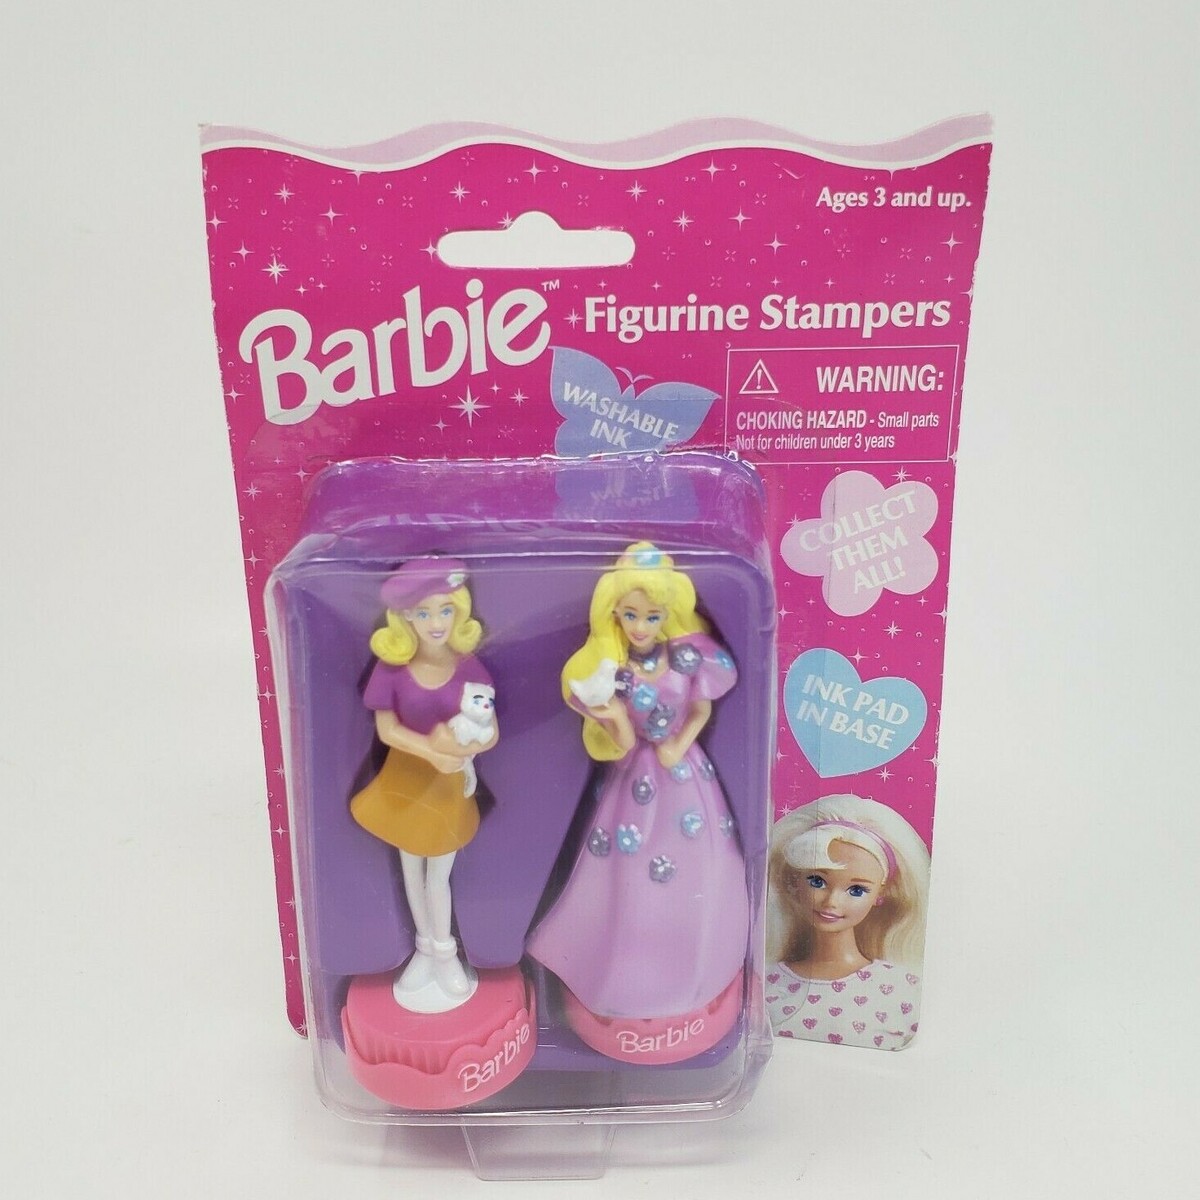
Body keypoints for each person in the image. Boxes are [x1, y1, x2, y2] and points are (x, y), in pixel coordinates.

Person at [527, 542, 748, 1023]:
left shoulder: (686, 657)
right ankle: (625, 966)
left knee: (696, 866)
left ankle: (690, 961)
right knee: (625, 871)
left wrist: (677, 744)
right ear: (615, 614)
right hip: (634, 779)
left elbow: (700, 709)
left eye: (651, 616)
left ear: (667, 614)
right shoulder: (616, 673)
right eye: (630, 615)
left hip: (684, 774)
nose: (641, 626)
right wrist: (612, 718)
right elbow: (624, 743)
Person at [350, 557, 497, 1009]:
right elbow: (387, 729)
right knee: (410, 867)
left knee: (440, 873)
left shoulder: (469, 668)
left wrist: (466, 747)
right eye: (424, 612)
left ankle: (445, 952)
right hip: (405, 779)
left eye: (445, 610)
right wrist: (430, 750)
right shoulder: (393, 669)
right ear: (406, 618)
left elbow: (490, 728)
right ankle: (424, 949)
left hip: (447, 785)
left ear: (459, 612)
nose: (436, 623)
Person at [766, 795, 930, 1049]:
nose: (832, 902)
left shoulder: (900, 988)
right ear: (794, 882)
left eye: (856, 890)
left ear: (881, 895)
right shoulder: (767, 980)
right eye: (817, 881)